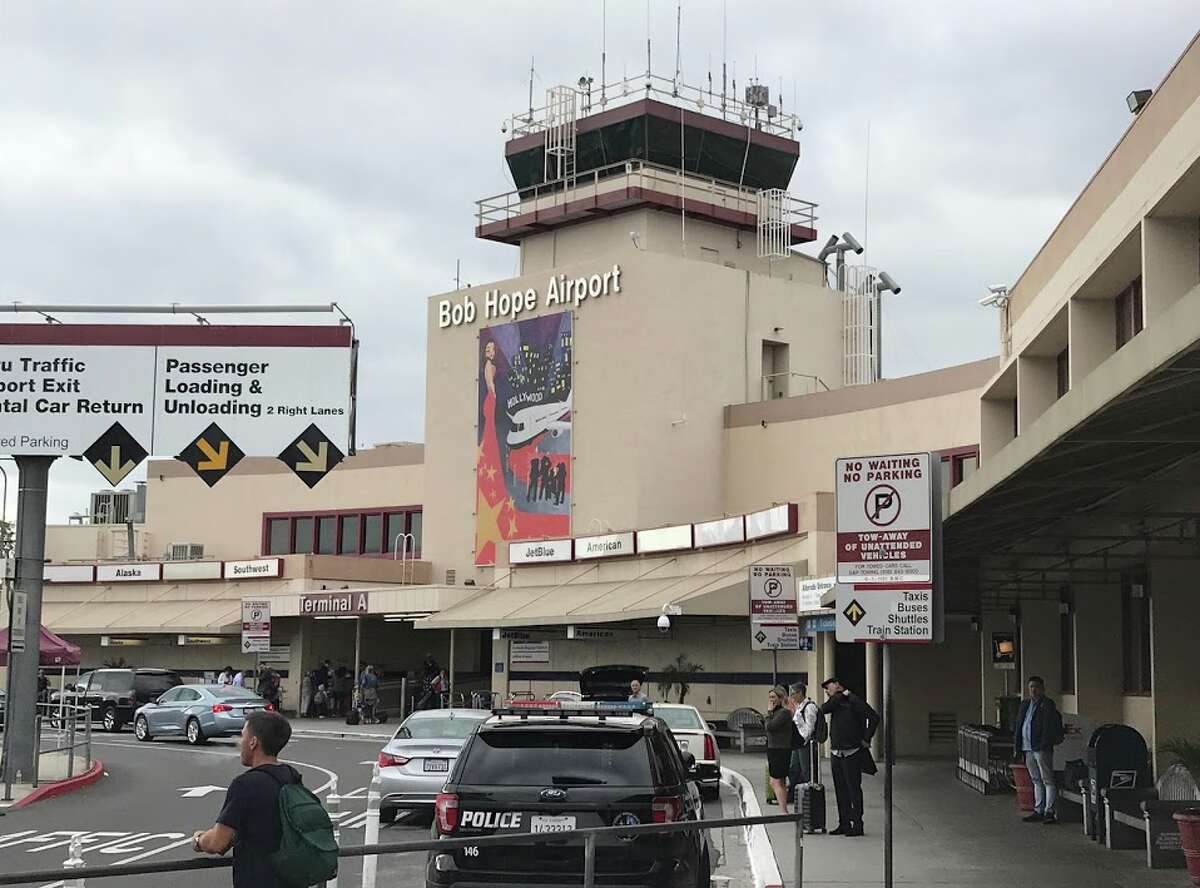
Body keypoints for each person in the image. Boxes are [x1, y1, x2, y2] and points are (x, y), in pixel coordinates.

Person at [192, 710, 298, 887]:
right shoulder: (291, 776)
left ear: (253, 742)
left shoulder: (245, 785)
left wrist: (198, 840)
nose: (239, 742)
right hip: (292, 879)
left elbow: (217, 842)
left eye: (242, 736)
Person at [819, 677, 879, 837]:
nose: (827, 691)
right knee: (840, 789)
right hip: (836, 752)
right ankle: (843, 823)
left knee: (853, 789)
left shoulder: (854, 701)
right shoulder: (835, 702)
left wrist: (867, 738)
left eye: (828, 687)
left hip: (852, 751)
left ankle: (857, 824)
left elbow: (874, 717)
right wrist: (838, 695)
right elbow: (823, 709)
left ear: (838, 685)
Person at [1014, 675, 1064, 825]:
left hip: (1041, 748)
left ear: (1042, 689)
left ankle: (1049, 811)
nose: (1033, 690)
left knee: (1047, 779)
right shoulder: (1025, 705)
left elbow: (1048, 726)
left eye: (1036, 687)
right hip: (1027, 747)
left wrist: (1044, 743)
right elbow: (1019, 725)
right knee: (1036, 779)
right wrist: (1017, 747)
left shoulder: (1047, 704)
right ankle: (1038, 809)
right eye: (1031, 687)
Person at [764, 686, 794, 814]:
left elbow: (770, 727)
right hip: (774, 748)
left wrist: (769, 713)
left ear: (781, 699)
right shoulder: (777, 713)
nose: (771, 700)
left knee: (775, 781)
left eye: (774, 697)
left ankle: (783, 810)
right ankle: (783, 809)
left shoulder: (783, 713)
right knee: (778, 780)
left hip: (780, 750)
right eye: (770, 697)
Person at [788, 683, 819, 792]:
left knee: (806, 770)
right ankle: (794, 792)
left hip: (805, 743)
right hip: (797, 743)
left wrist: (799, 720)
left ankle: (809, 793)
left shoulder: (809, 707)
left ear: (800, 693)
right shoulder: (799, 706)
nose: (792, 697)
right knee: (793, 769)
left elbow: (809, 730)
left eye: (793, 694)